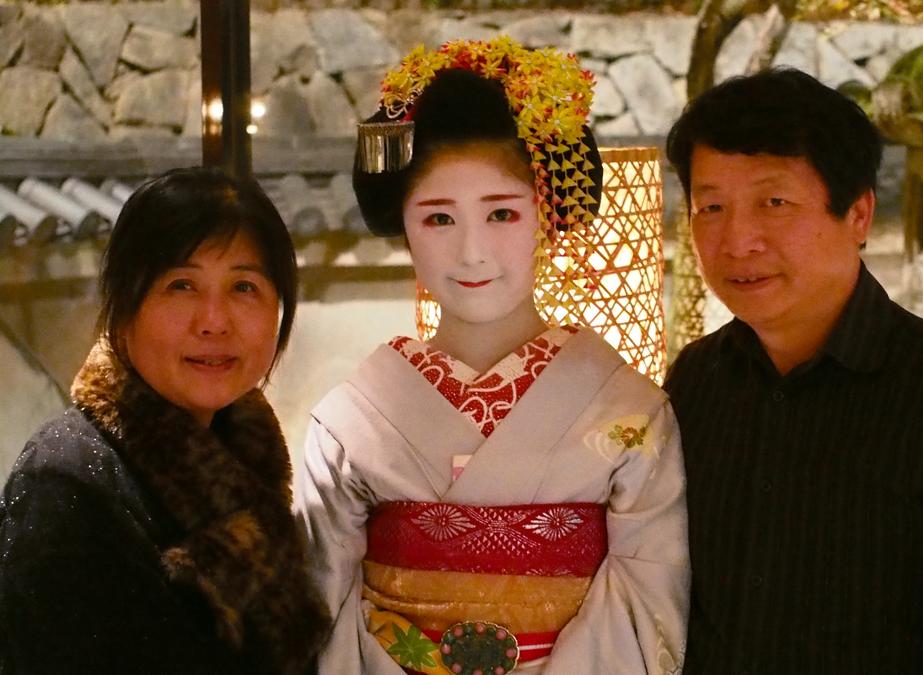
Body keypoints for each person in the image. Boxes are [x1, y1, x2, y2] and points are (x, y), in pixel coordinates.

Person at [294, 37, 688, 675]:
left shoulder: (631, 414)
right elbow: (323, 622)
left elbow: (648, 606)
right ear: (404, 225)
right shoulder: (349, 424)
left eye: (502, 213)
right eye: (439, 219)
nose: (471, 252)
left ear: (548, 217)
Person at [663, 68, 923, 673]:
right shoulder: (695, 382)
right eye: (711, 206)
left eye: (774, 202)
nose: (737, 239)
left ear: (858, 215)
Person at [0, 168, 330, 675]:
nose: (214, 320)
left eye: (244, 286)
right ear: (124, 307)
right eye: (181, 285)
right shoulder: (66, 484)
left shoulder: (244, 453)